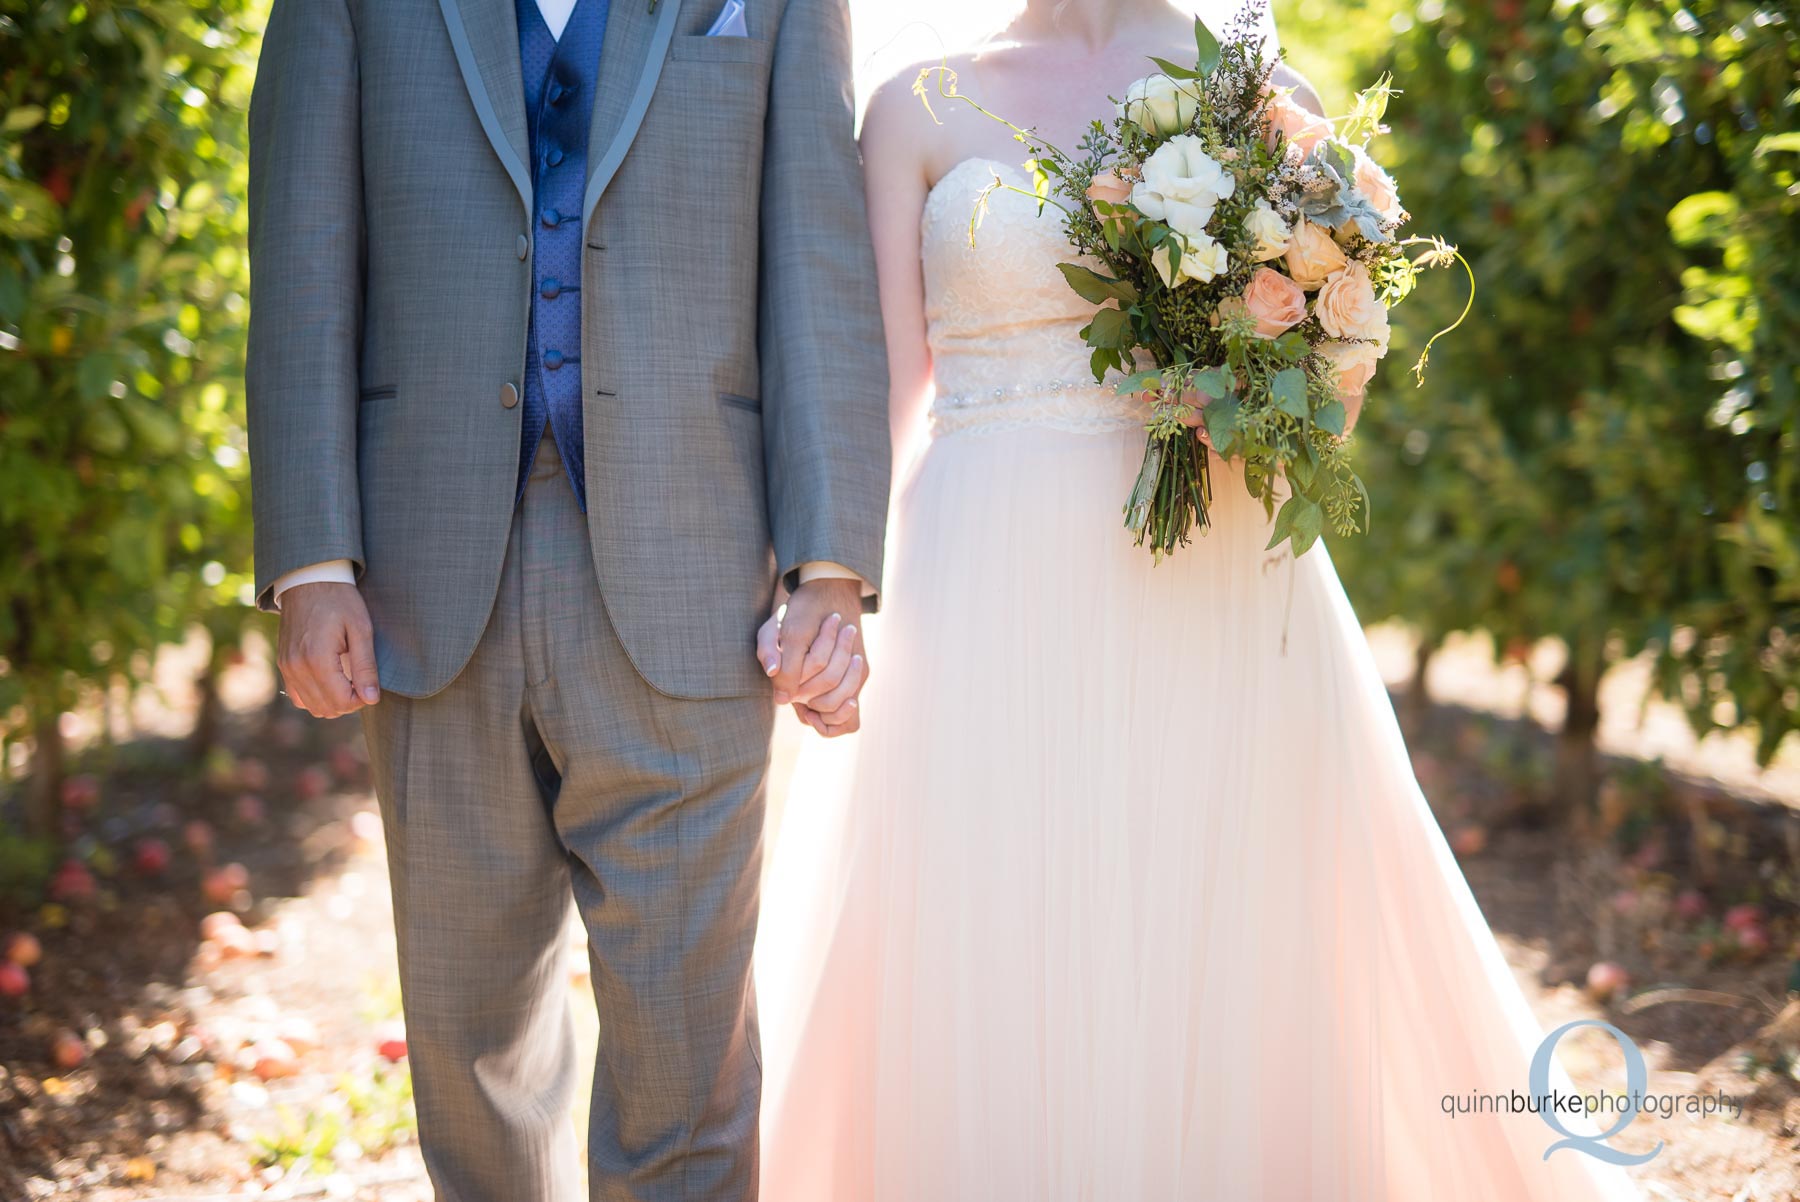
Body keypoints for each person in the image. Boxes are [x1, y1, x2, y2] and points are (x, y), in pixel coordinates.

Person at [753, 1, 1645, 1197]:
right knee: (1003, 920)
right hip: (985, 581)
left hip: (1213, 571)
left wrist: (1252, 378)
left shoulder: (1256, 96)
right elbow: (883, 395)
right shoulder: (915, 102)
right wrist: (826, 581)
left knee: (1225, 928)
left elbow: (1329, 376)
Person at [245, 0, 888, 1197]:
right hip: (424, 583)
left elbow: (819, 263)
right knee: (470, 1052)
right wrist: (314, 559)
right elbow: (300, 247)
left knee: (687, 1070)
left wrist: (830, 569)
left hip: (693, 576)